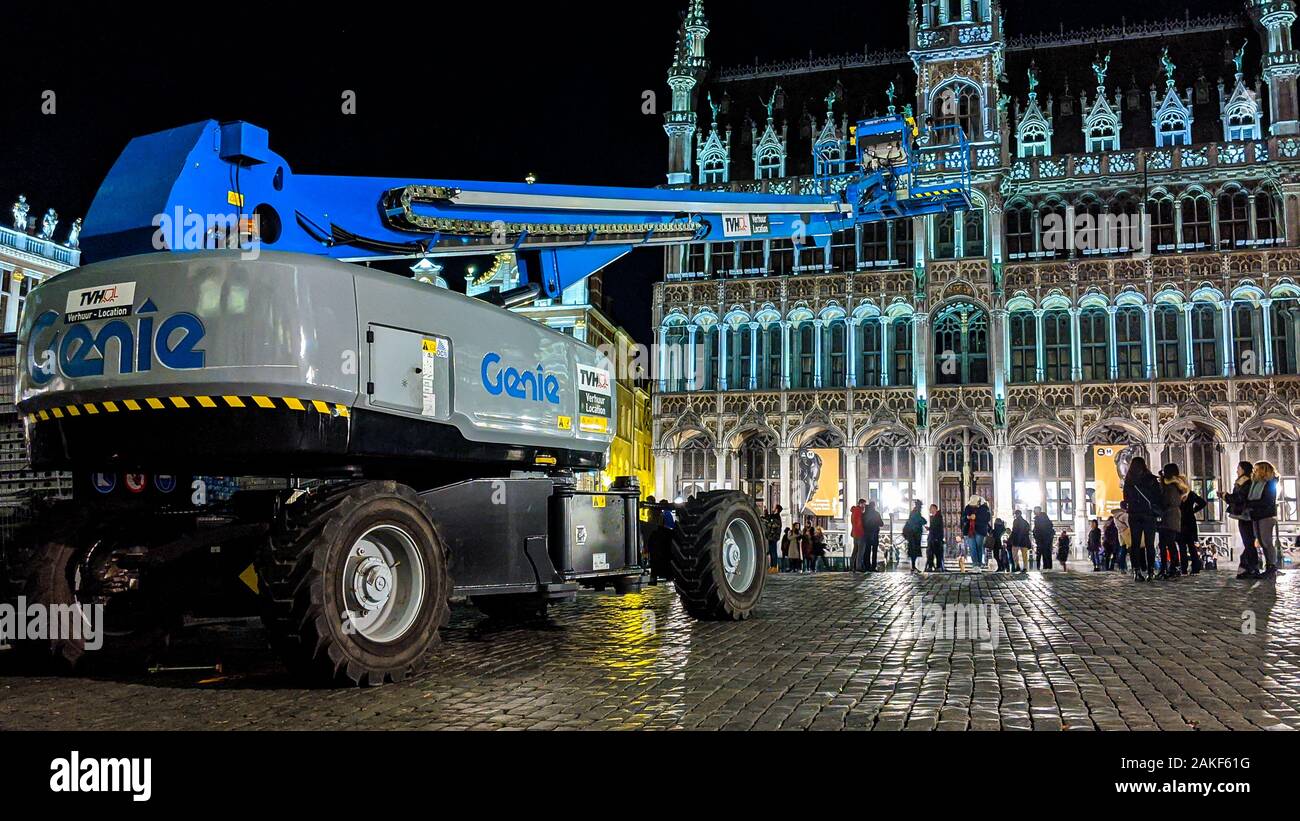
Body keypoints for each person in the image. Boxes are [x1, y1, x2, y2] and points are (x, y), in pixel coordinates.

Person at [1123, 456, 1164, 583]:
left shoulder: (1129, 481)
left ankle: (1137, 571)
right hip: (1148, 515)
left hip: (1134, 514)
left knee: (1135, 544)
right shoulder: (1151, 479)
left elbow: (1125, 499)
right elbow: (1158, 497)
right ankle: (1151, 571)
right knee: (1149, 544)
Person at [1223, 461, 1260, 579]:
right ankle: (1247, 566)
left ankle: (1251, 567)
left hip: (1246, 515)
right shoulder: (1244, 482)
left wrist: (1226, 496)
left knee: (1248, 542)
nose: (1237, 471)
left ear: (1244, 470)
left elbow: (1239, 498)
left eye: (1238, 468)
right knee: (1248, 542)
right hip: (1244, 515)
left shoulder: (1245, 482)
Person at [1247, 461, 1282, 579]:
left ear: (1263, 470)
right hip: (1257, 515)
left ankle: (1272, 566)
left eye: (1256, 470)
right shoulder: (1257, 483)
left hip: (1266, 516)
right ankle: (1269, 566)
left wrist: (1250, 504)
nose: (1254, 472)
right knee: (1262, 542)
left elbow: (1267, 501)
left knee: (1266, 542)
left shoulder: (1270, 484)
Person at [1156, 464, 1190, 579]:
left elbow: (1167, 501)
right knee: (1169, 544)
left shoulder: (1170, 487)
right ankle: (1171, 567)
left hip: (1168, 517)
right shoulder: (1176, 485)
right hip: (1173, 517)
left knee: (1166, 544)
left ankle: (1169, 568)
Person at [1178, 482, 1208, 575]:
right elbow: (1203, 503)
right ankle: (1195, 568)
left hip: (1181, 521)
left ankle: (1184, 569)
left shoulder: (1178, 494)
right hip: (1190, 521)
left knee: (1182, 547)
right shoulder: (1191, 494)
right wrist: (1193, 510)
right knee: (1191, 546)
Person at [961, 495, 992, 571]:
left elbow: (987, 518)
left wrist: (976, 517)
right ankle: (975, 564)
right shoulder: (968, 507)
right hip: (970, 530)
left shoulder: (984, 508)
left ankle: (979, 564)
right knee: (972, 548)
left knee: (979, 547)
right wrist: (967, 518)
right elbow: (963, 517)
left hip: (980, 530)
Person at [904, 500, 925, 573]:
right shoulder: (916, 513)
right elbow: (921, 521)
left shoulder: (914, 512)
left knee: (914, 551)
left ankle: (913, 566)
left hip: (913, 535)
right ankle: (913, 566)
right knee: (914, 551)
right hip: (914, 535)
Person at [863, 502, 884, 572]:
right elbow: (881, 524)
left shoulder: (865, 514)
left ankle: (867, 566)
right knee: (874, 551)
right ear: (874, 506)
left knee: (867, 551)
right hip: (874, 534)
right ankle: (873, 566)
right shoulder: (876, 514)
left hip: (866, 535)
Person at [763, 504, 783, 575]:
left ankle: (774, 567)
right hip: (771, 536)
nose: (773, 508)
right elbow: (767, 518)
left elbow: (773, 525)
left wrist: (768, 524)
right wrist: (765, 511)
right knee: (771, 552)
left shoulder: (777, 517)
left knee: (773, 552)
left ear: (777, 509)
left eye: (774, 507)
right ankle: (772, 566)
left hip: (773, 537)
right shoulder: (773, 516)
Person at [849, 500, 868, 572]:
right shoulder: (859, 511)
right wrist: (863, 531)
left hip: (854, 533)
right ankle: (858, 567)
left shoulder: (853, 511)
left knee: (855, 550)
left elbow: (853, 522)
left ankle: (851, 566)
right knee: (860, 551)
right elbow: (859, 523)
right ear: (860, 504)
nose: (864, 506)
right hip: (860, 533)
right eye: (863, 504)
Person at [927, 503, 945, 572]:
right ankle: (931, 566)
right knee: (930, 553)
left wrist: (930, 528)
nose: (930, 510)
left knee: (937, 553)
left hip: (936, 538)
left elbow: (936, 528)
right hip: (932, 537)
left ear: (934, 509)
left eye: (931, 508)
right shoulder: (933, 517)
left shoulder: (938, 517)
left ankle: (938, 566)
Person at [1113, 502, 1131, 572]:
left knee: (1122, 550)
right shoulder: (1124, 515)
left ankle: (1122, 567)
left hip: (1120, 534)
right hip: (1127, 534)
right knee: (1130, 550)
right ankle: (1133, 567)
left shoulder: (1115, 516)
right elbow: (1129, 525)